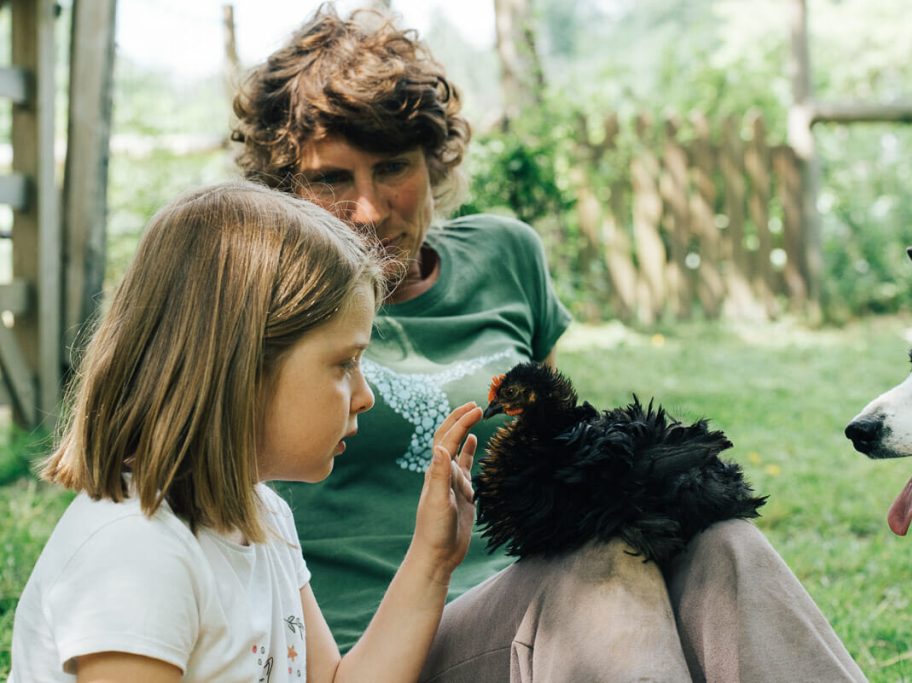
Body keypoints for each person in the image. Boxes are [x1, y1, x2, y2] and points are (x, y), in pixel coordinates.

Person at [232, 6, 868, 681]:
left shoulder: (506, 255)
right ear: (284, 188)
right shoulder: (261, 297)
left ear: (435, 161)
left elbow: (557, 439)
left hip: (540, 607)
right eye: (332, 178)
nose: (368, 208)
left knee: (721, 540)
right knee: (598, 574)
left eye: (393, 166)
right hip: (381, 650)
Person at [9, 181, 484, 683]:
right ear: (244, 368)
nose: (365, 395)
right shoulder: (138, 552)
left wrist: (433, 557)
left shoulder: (263, 516)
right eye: (344, 363)